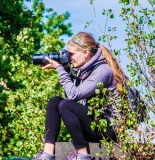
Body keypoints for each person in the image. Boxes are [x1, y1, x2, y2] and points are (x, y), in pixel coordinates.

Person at [32, 32, 127, 160]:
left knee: (65, 105)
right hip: (95, 124)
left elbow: (73, 96)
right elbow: (71, 95)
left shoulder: (103, 70)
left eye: (71, 54)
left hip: (109, 129)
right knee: (55, 101)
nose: (69, 58)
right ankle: (47, 154)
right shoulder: (84, 69)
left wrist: (59, 69)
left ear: (85, 53)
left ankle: (82, 155)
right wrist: (66, 69)